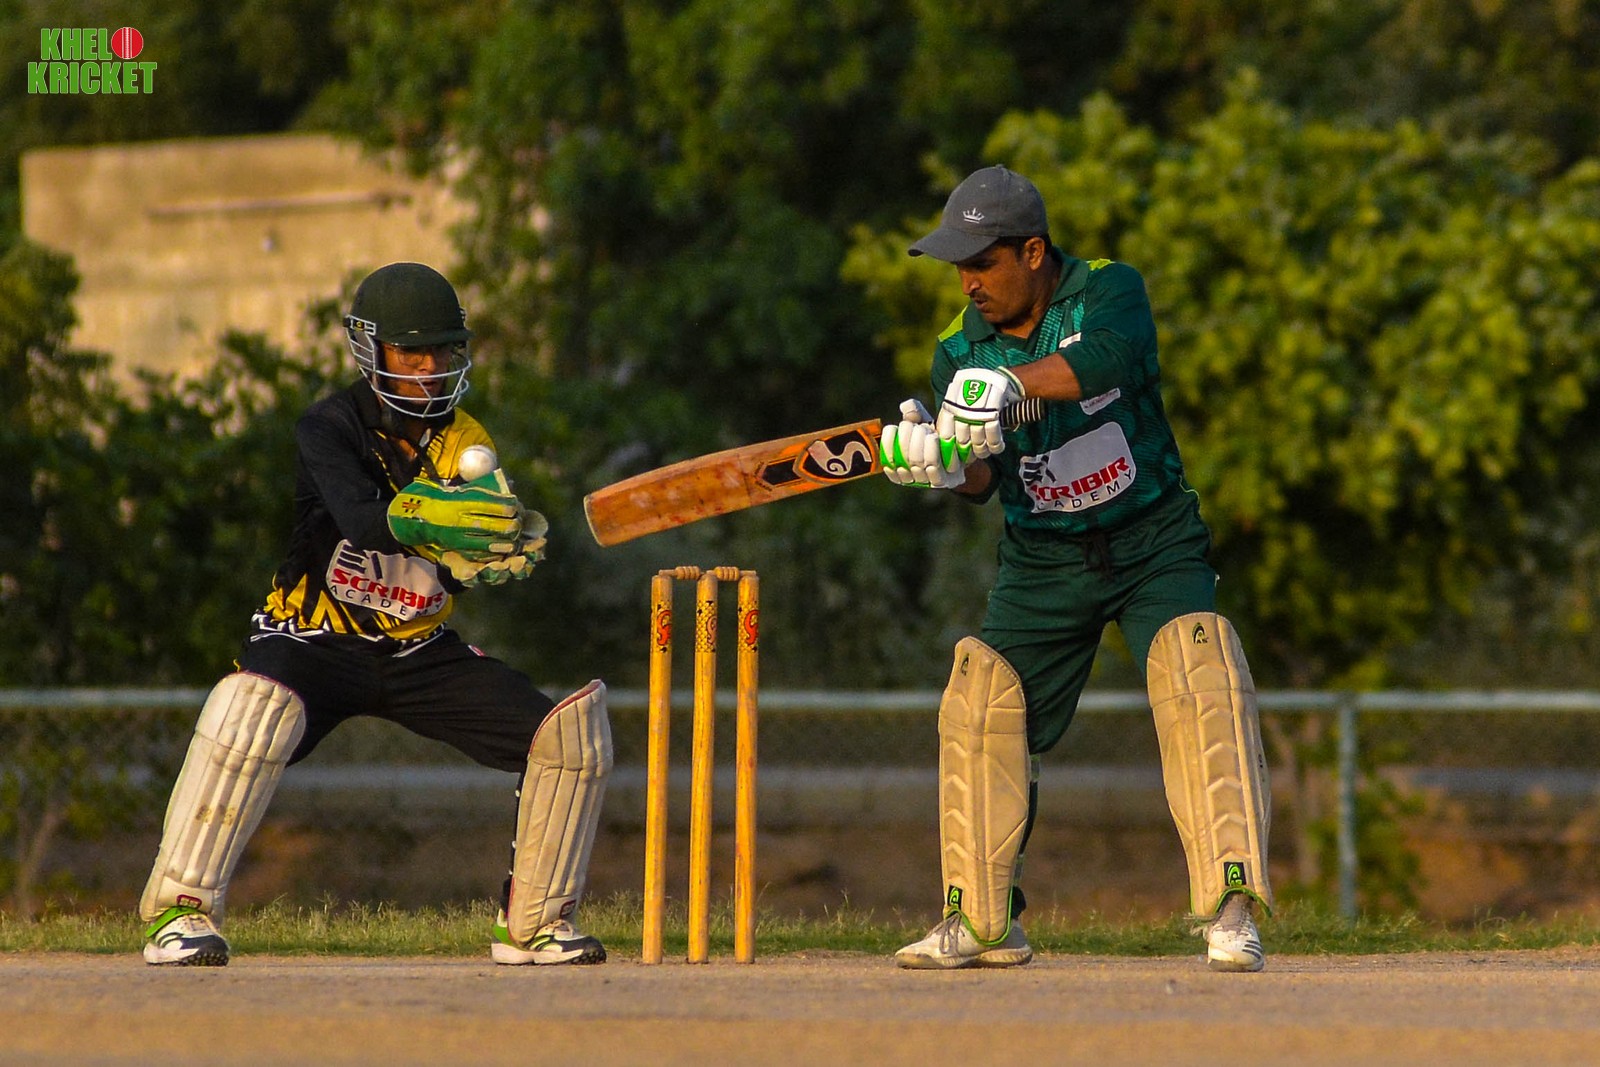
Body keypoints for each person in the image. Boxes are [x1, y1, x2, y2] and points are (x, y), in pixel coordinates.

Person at [139, 262, 612, 967]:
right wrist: (435, 517)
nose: (429, 367)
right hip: (312, 639)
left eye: (442, 350)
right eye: (411, 352)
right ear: (370, 349)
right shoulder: (328, 427)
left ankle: (536, 925)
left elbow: (464, 557)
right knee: (249, 709)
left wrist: (487, 554)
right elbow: (361, 521)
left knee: (566, 738)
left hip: (417, 647)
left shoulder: (467, 441)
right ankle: (179, 913)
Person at [879, 166, 1272, 971]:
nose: (968, 282)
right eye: (959, 266)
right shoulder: (957, 350)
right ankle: (981, 920)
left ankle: (1232, 909)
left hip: (1152, 539)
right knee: (981, 700)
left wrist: (1010, 382)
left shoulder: (1108, 290)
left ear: (1033, 251)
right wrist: (944, 468)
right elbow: (984, 473)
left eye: (982, 262)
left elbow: (1109, 358)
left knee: (1200, 669)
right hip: (1044, 556)